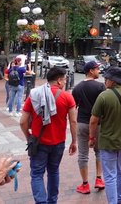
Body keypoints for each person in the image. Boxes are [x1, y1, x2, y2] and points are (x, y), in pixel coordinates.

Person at [20, 67, 77, 204]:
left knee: (37, 174)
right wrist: (74, 141)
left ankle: (41, 202)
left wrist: (29, 137)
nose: (64, 82)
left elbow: (22, 121)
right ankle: (52, 201)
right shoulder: (67, 97)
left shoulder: (34, 95)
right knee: (53, 171)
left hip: (39, 142)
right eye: (64, 79)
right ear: (59, 80)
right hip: (58, 143)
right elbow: (73, 121)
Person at [89, 67, 121, 204]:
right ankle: (119, 200)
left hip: (107, 141)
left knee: (110, 175)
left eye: (106, 79)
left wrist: (92, 138)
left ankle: (112, 202)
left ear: (113, 81)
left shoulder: (104, 96)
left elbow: (93, 120)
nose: (104, 81)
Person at [72, 61, 106, 194]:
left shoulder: (77, 88)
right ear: (91, 71)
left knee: (83, 154)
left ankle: (85, 184)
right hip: (97, 124)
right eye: (97, 69)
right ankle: (99, 179)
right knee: (99, 151)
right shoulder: (100, 87)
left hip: (82, 123)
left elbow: (73, 107)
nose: (99, 71)